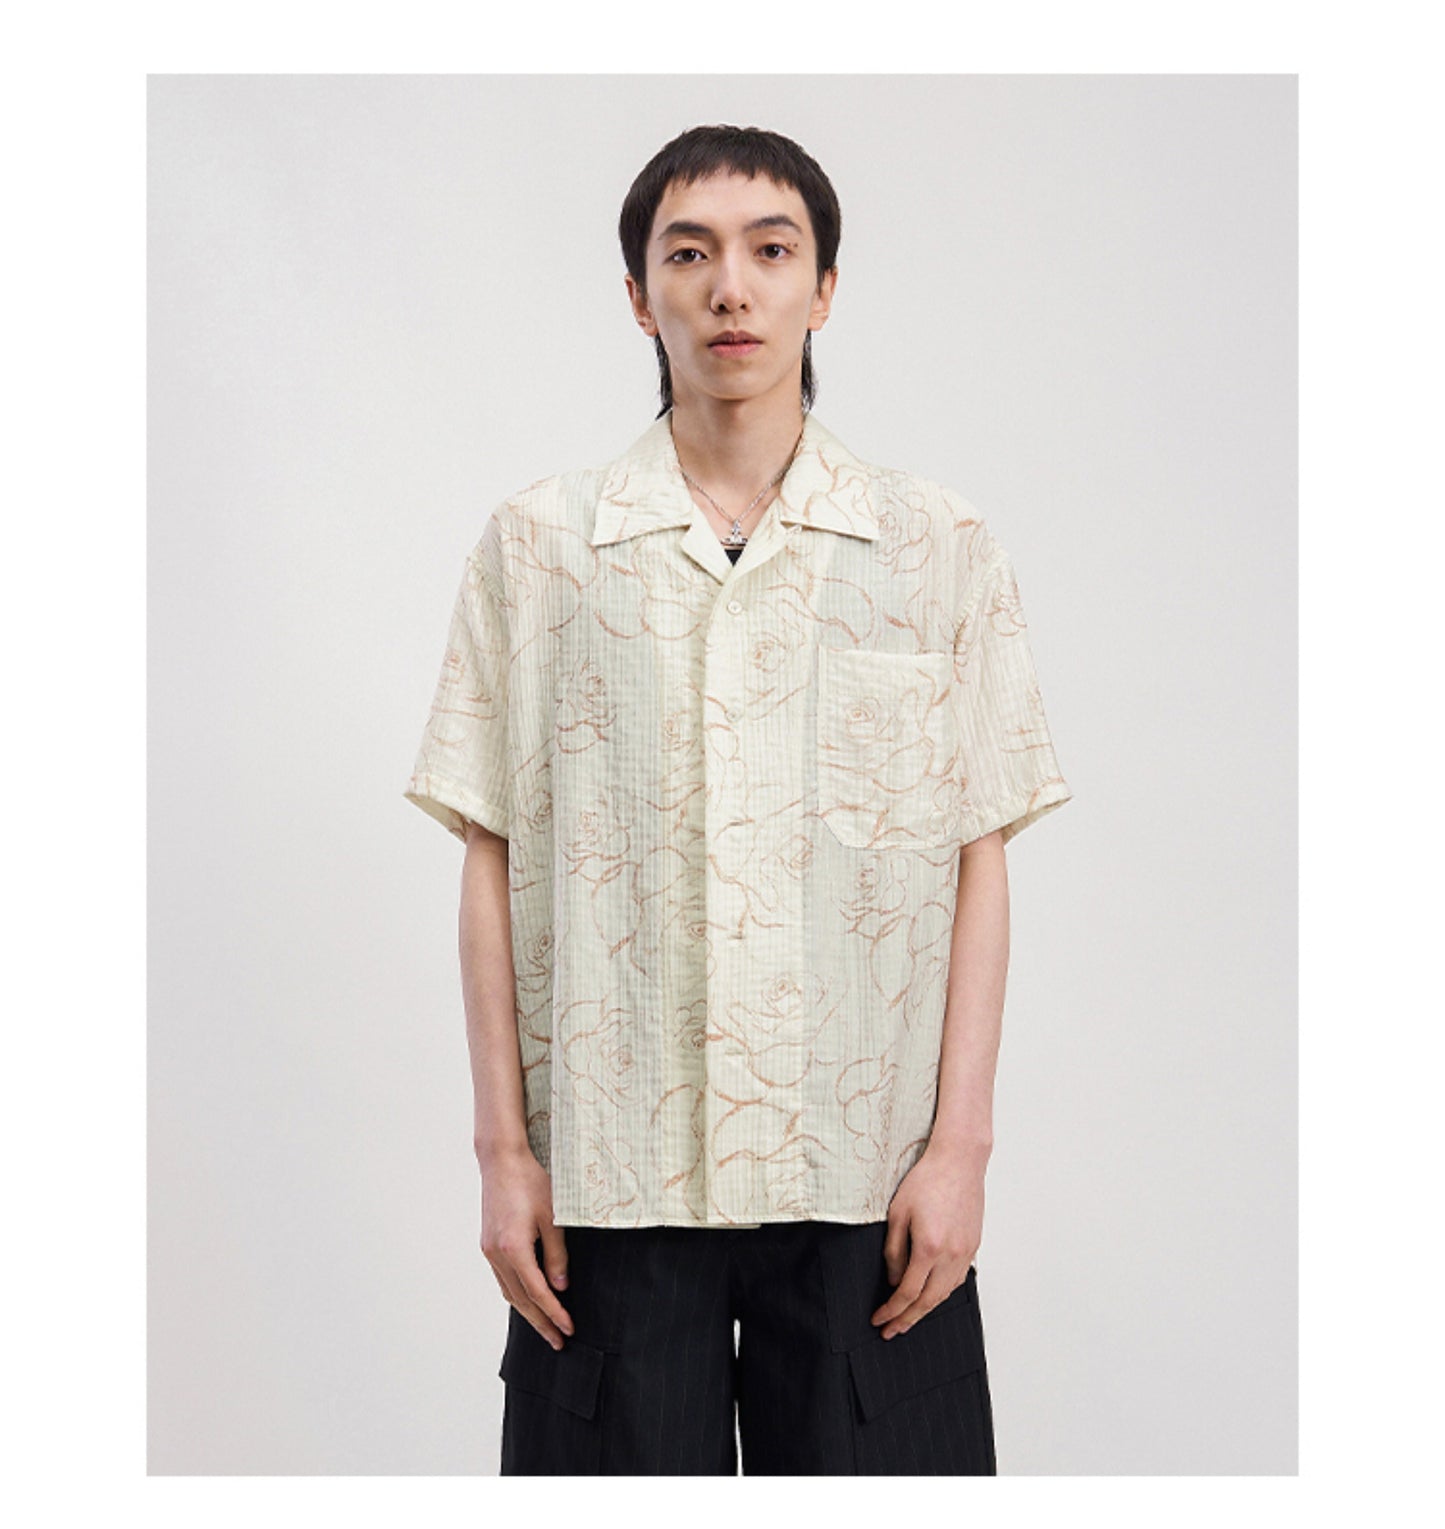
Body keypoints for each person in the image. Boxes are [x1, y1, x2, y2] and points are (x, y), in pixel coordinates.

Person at [403, 123, 1073, 1475]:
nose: (730, 289)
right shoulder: (540, 548)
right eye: (688, 254)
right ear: (637, 293)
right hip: (611, 1176)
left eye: (771, 251)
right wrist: (502, 1153)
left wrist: (961, 1148)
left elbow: (977, 857)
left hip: (863, 1176)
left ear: (823, 289)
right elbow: (489, 855)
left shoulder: (934, 547)